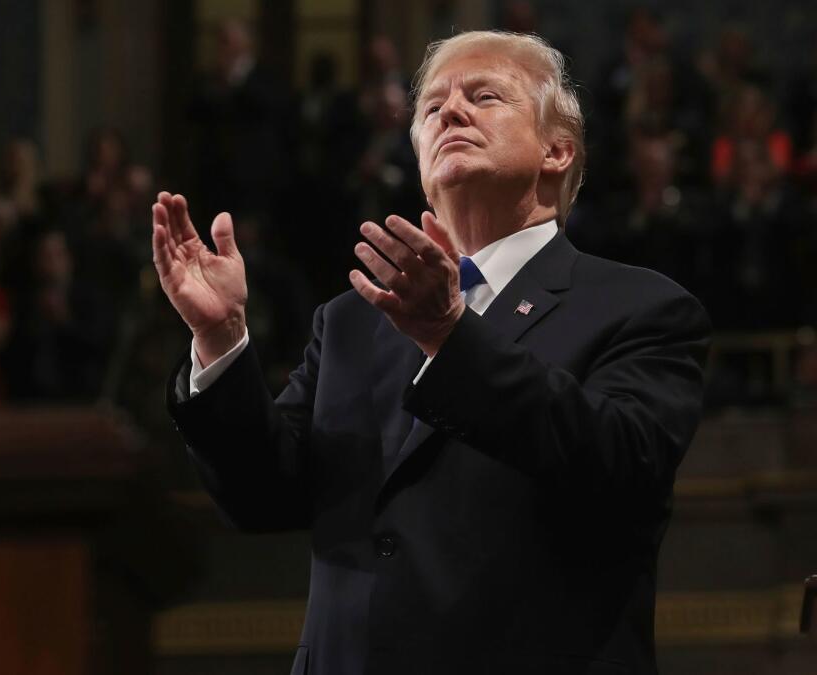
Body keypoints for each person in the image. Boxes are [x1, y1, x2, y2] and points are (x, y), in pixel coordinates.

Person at [151, 31, 710, 674]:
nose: (450, 112)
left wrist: (450, 338)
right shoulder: (352, 322)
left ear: (557, 151)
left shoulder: (640, 307)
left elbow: (621, 465)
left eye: (485, 96)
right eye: (432, 108)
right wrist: (221, 340)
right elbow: (262, 498)